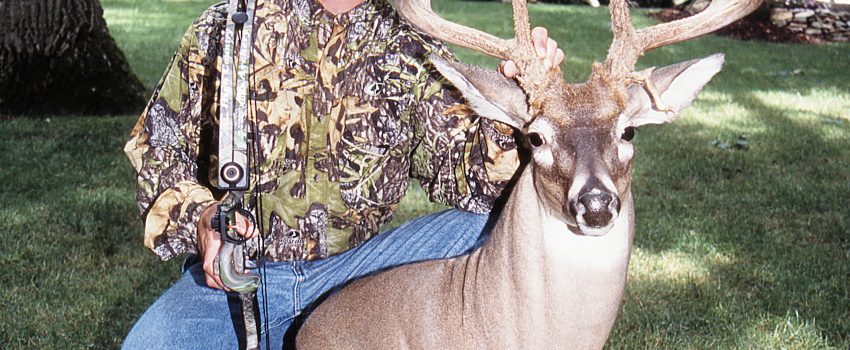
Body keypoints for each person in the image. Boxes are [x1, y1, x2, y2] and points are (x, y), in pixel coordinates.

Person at [122, 0, 563, 348]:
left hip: (360, 273)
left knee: (490, 228)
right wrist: (203, 219)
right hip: (240, 278)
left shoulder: (411, 47)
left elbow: (479, 182)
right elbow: (157, 149)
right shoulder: (226, 29)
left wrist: (519, 104)